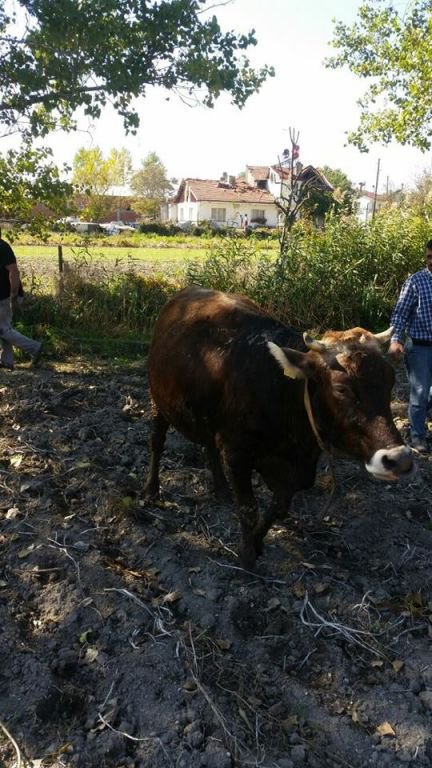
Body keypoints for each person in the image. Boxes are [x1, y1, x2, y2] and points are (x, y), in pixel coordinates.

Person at [389, 238, 432, 452]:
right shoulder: (416, 281)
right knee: (420, 392)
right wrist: (395, 339)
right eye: (429, 257)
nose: (431, 261)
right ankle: (417, 435)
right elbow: (400, 313)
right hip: (420, 347)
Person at [0, 231, 42, 370]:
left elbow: (14, 271)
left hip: (3, 295)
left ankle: (34, 347)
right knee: (5, 328)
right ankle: (7, 361)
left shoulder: (3, 247)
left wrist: (13, 294)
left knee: (3, 329)